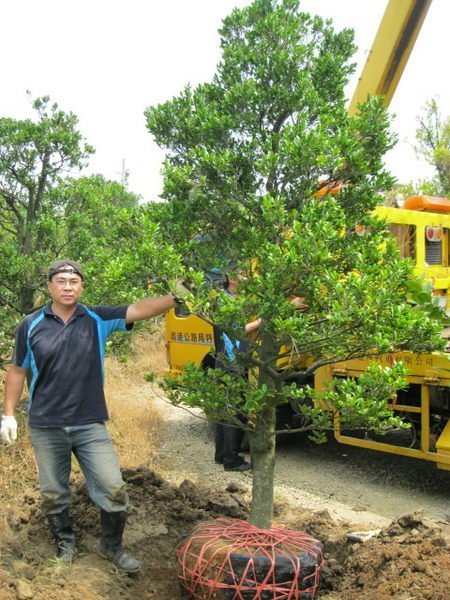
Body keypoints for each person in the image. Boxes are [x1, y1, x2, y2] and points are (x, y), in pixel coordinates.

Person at [0, 259, 184, 573]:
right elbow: (17, 370)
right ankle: (65, 544)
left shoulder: (97, 317)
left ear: (82, 286)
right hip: (47, 424)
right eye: (61, 281)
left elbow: (140, 309)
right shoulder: (30, 324)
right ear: (50, 287)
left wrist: (180, 293)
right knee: (53, 492)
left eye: (74, 281)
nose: (67, 286)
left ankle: (110, 546)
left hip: (89, 422)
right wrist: (8, 415)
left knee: (113, 487)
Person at [213, 273, 261, 472]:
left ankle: (222, 455)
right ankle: (231, 460)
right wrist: (261, 321)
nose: (247, 277)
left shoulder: (227, 299)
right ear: (232, 278)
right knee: (236, 411)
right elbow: (237, 330)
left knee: (225, 410)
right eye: (242, 274)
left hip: (226, 362)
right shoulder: (226, 301)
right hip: (232, 363)